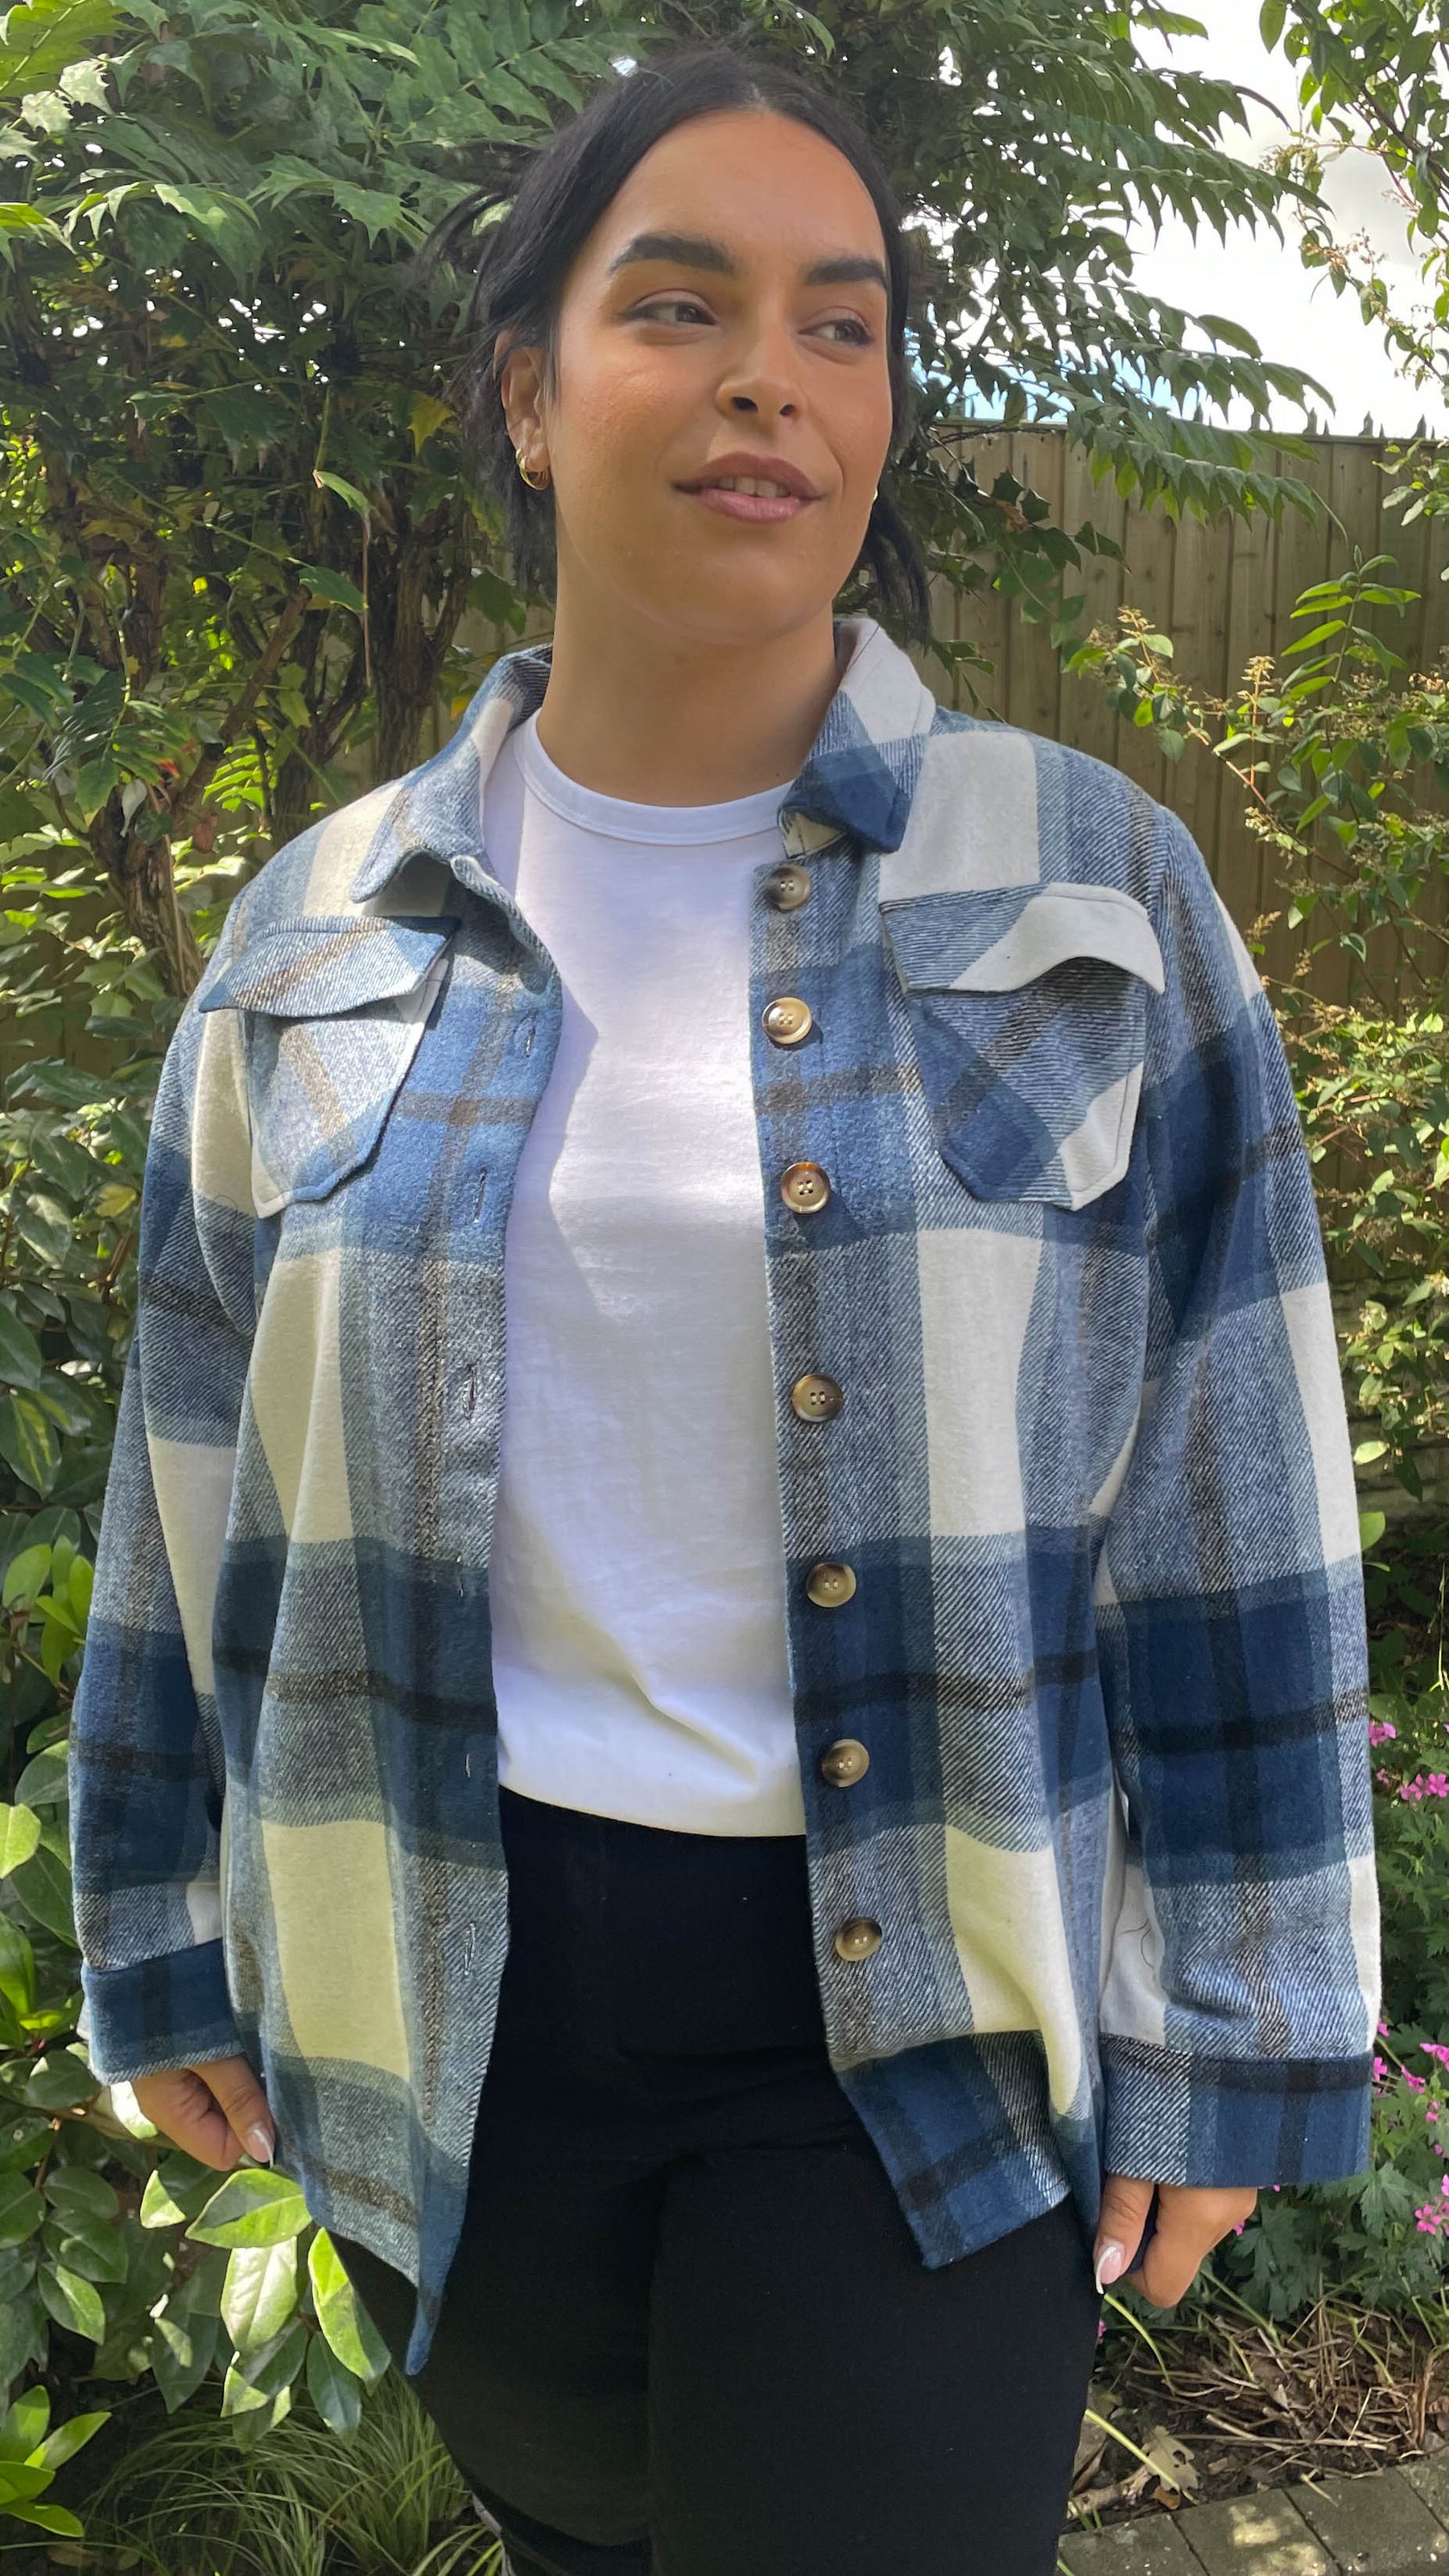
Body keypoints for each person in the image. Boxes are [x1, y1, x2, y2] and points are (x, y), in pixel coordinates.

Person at [68, 35, 1381, 2576]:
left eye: (841, 322)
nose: (772, 373)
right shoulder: (316, 930)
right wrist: (161, 1931)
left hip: (909, 2033)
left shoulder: (1089, 889)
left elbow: (1237, 1483)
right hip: (442, 1998)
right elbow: (189, 1469)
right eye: (677, 304)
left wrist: (1238, 2021)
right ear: (528, 394)